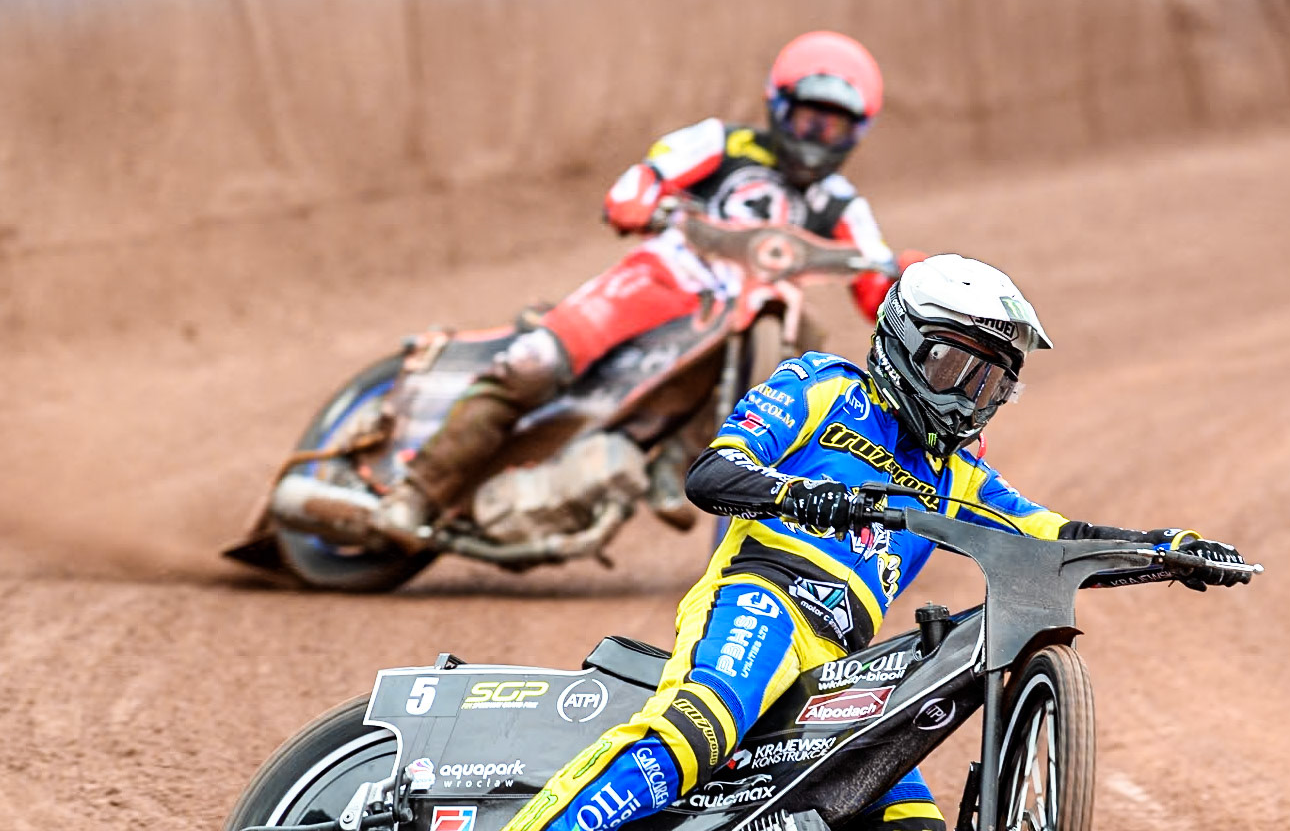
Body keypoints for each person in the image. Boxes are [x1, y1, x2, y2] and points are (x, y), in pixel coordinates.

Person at [444, 254, 1248, 831]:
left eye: (988, 383)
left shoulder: (960, 476)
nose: (967, 397)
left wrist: (1164, 548)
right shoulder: (822, 388)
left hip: (837, 663)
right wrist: (805, 495)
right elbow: (712, 472)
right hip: (762, 596)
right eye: (953, 367)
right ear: (902, 342)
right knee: (699, 725)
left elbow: (1053, 538)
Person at [376, 30, 923, 548]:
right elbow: (646, 175)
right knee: (535, 363)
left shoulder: (841, 204)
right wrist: (640, 199)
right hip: (660, 281)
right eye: (808, 121)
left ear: (857, 133)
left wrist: (909, 280)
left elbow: (876, 287)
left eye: (833, 129)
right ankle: (416, 492)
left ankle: (686, 460)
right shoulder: (721, 141)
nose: (816, 139)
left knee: (805, 346)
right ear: (778, 106)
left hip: (738, 317)